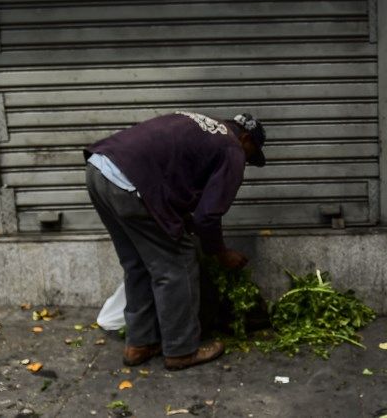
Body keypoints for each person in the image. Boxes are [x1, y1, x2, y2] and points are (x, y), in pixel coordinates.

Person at [84, 111, 266, 370]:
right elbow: (207, 216)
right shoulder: (232, 149)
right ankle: (181, 350)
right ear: (245, 138)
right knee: (178, 262)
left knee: (138, 264)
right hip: (130, 182)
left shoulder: (203, 126)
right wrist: (221, 253)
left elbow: (173, 181)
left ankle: (139, 344)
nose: (246, 161)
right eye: (251, 154)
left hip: (99, 169)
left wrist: (183, 222)